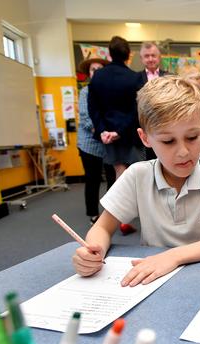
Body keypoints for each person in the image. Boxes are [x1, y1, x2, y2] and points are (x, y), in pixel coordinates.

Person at [72, 76, 200, 286]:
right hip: (156, 282)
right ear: (145, 138)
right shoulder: (137, 176)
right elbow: (102, 228)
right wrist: (93, 251)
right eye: (168, 141)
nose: (183, 152)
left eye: (192, 137)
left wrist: (173, 256)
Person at [88, 36, 143, 235]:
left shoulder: (98, 77)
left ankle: (116, 217)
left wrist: (103, 130)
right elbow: (137, 109)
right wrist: (119, 132)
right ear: (128, 55)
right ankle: (121, 217)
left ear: (109, 54)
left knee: (119, 173)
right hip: (127, 134)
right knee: (132, 174)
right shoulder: (134, 77)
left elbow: (93, 108)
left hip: (107, 135)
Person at [76, 57, 116, 224]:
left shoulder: (111, 91)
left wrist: (112, 133)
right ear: (89, 73)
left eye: (100, 69)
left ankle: (111, 213)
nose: (97, 72)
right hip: (89, 143)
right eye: (93, 69)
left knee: (112, 179)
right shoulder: (85, 92)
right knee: (92, 179)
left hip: (109, 142)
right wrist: (101, 132)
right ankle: (93, 214)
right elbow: (86, 119)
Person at [139, 41, 170, 161]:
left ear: (159, 57)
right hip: (144, 129)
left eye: (153, 55)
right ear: (142, 58)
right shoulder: (134, 78)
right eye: (147, 56)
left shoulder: (169, 77)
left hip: (166, 126)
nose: (150, 59)